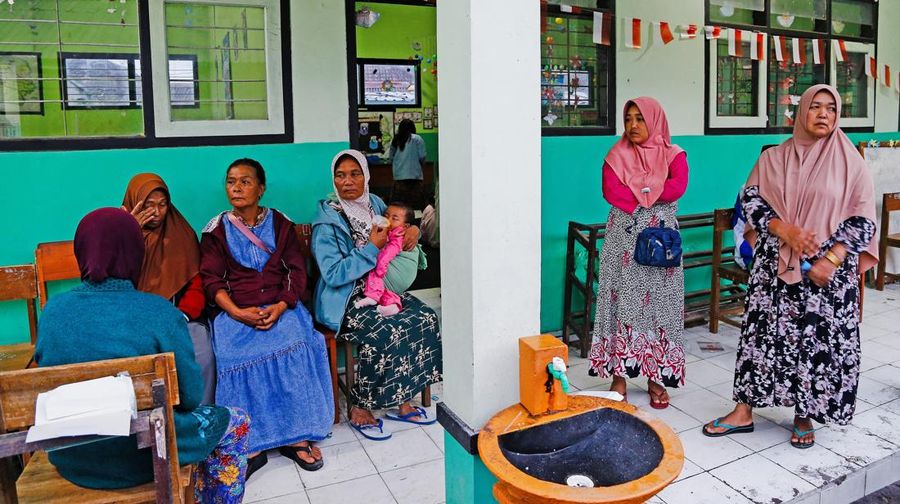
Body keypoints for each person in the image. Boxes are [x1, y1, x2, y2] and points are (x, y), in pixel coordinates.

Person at [703, 84, 878, 449]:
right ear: (800, 113)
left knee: (813, 342)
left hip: (825, 276)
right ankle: (744, 410)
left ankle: (804, 413)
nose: (823, 114)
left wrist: (830, 260)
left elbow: (862, 220)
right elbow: (750, 202)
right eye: (815, 107)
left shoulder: (851, 162)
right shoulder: (773, 159)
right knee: (761, 339)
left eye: (831, 108)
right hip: (775, 270)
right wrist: (786, 230)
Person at [35, 208, 249, 503]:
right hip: (147, 456)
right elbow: (189, 397)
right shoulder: (159, 312)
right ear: (136, 252)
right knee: (236, 421)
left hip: (72, 457)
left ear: (81, 251)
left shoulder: (53, 312)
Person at [200, 158, 333, 475]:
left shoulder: (281, 224)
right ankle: (252, 441)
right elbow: (212, 280)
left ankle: (297, 436)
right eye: (231, 181)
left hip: (280, 306)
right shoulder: (215, 231)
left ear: (261, 188)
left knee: (296, 342)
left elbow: (296, 272)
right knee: (232, 352)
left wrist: (282, 305)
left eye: (245, 181)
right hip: (236, 311)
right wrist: (235, 312)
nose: (237, 187)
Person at [312, 149, 442, 440]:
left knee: (425, 318)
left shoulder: (375, 204)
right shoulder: (327, 220)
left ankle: (403, 397)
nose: (347, 181)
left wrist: (414, 232)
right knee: (384, 329)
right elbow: (332, 275)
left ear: (366, 176)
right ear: (333, 179)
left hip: (382, 290)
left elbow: (401, 224)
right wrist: (371, 248)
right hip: (346, 297)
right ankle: (361, 405)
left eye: (355, 173)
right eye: (340, 175)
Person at [588, 97, 689, 409]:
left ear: (655, 121)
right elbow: (610, 190)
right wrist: (641, 200)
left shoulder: (674, 154)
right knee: (621, 304)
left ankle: (655, 375)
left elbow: (678, 185)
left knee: (660, 306)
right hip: (624, 240)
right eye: (628, 119)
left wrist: (648, 191)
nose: (632, 125)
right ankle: (618, 376)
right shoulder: (616, 155)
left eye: (640, 119)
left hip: (661, 241)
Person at [121, 173, 216, 404]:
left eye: (163, 205)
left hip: (178, 316)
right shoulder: (120, 236)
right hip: (133, 318)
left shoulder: (180, 234)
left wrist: (181, 315)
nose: (156, 212)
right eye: (149, 205)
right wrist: (129, 232)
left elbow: (196, 284)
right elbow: (114, 277)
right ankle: (146, 426)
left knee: (203, 354)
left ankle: (198, 420)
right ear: (134, 204)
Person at [354, 202, 415, 316]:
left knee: (373, 275)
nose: (389, 220)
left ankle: (372, 297)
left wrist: (380, 266)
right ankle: (393, 306)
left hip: (383, 268)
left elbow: (388, 253)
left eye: (394, 218)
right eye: (386, 216)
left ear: (405, 226)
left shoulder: (398, 236)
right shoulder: (390, 232)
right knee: (385, 290)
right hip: (387, 275)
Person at [389, 119, 427, 210]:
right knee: (416, 206)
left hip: (399, 178)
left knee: (400, 206)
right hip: (415, 178)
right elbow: (422, 156)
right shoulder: (417, 139)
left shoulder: (396, 139)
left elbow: (391, 157)